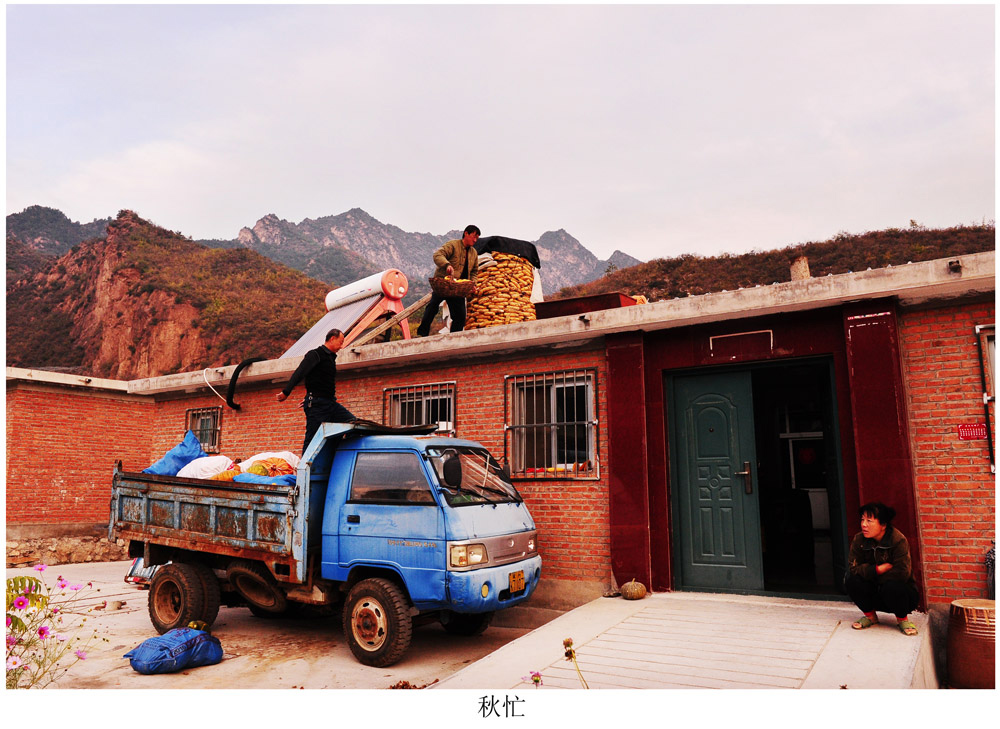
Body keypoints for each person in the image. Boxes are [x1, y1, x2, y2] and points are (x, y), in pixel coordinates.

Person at [276, 328, 356, 454]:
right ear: (332, 339)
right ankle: (304, 465)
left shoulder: (330, 358)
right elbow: (300, 373)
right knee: (312, 439)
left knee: (352, 423)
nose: (341, 346)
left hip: (330, 403)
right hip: (317, 405)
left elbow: (320, 382)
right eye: (340, 342)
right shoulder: (315, 354)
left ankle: (335, 456)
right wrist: (286, 392)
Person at [845, 502, 920, 635]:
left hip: (902, 596)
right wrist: (877, 570)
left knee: (893, 586)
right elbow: (853, 568)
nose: (864, 524)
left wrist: (871, 575)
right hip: (874, 591)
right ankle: (870, 617)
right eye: (862, 520)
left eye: (869, 521)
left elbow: (902, 573)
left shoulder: (898, 540)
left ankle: (902, 619)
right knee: (851, 579)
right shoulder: (859, 540)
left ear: (883, 524)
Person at [416, 224, 481, 337]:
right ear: (466, 233)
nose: (475, 240)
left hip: (458, 288)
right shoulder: (453, 245)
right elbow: (438, 255)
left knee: (460, 316)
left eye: (477, 238)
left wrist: (473, 283)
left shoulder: (473, 253)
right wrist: (447, 265)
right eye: (474, 236)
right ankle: (422, 333)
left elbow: (474, 271)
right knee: (432, 307)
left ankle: (454, 338)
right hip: (444, 284)